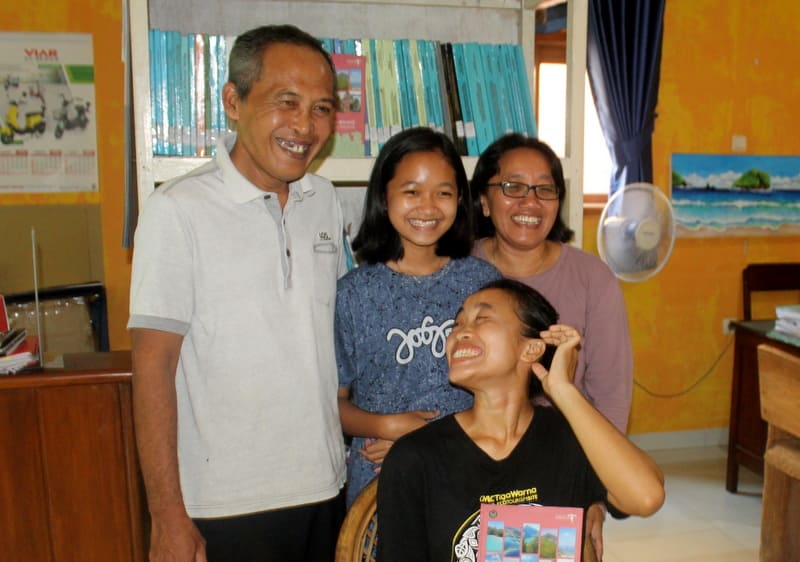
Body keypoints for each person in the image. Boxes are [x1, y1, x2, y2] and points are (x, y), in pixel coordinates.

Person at [128, 25, 347, 562]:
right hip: (222, 506)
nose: (305, 126)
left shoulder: (325, 201)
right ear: (233, 100)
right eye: (286, 102)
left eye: (322, 108)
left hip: (325, 487)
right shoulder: (176, 211)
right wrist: (167, 516)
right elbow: (152, 368)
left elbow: (333, 345)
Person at [377, 279, 665, 562]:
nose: (460, 333)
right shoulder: (415, 457)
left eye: (483, 318)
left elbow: (646, 496)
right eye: (458, 324)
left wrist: (564, 392)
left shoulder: (569, 437)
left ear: (531, 349)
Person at [335, 127, 501, 507]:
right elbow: (334, 404)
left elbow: (505, 389)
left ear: (460, 200)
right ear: (383, 196)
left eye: (443, 193)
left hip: (469, 468)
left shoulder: (482, 283)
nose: (427, 207)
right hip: (381, 479)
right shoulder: (353, 293)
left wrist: (431, 441)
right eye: (411, 192)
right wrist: (387, 426)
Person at [471, 133, 633, 433]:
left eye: (544, 189)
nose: (530, 202)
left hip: (565, 450)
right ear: (484, 201)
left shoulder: (594, 279)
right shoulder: (454, 273)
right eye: (513, 187)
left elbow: (611, 397)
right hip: (470, 453)